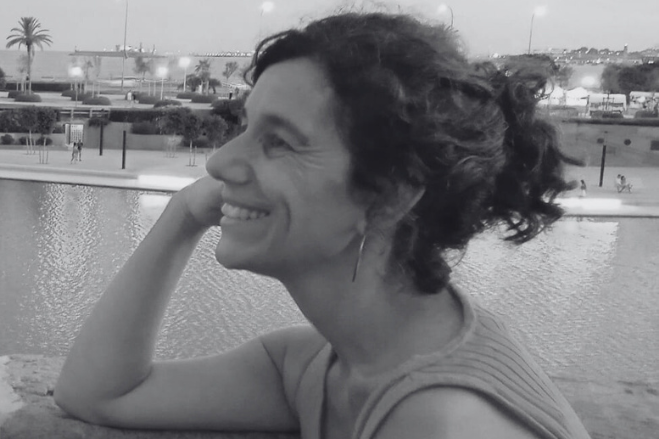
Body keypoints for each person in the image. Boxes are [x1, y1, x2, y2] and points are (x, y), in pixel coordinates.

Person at [54, 11, 591, 439]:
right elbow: (100, 394)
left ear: (388, 196)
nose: (219, 162)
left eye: (280, 141)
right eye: (245, 126)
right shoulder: (326, 366)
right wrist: (181, 216)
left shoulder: (443, 421)